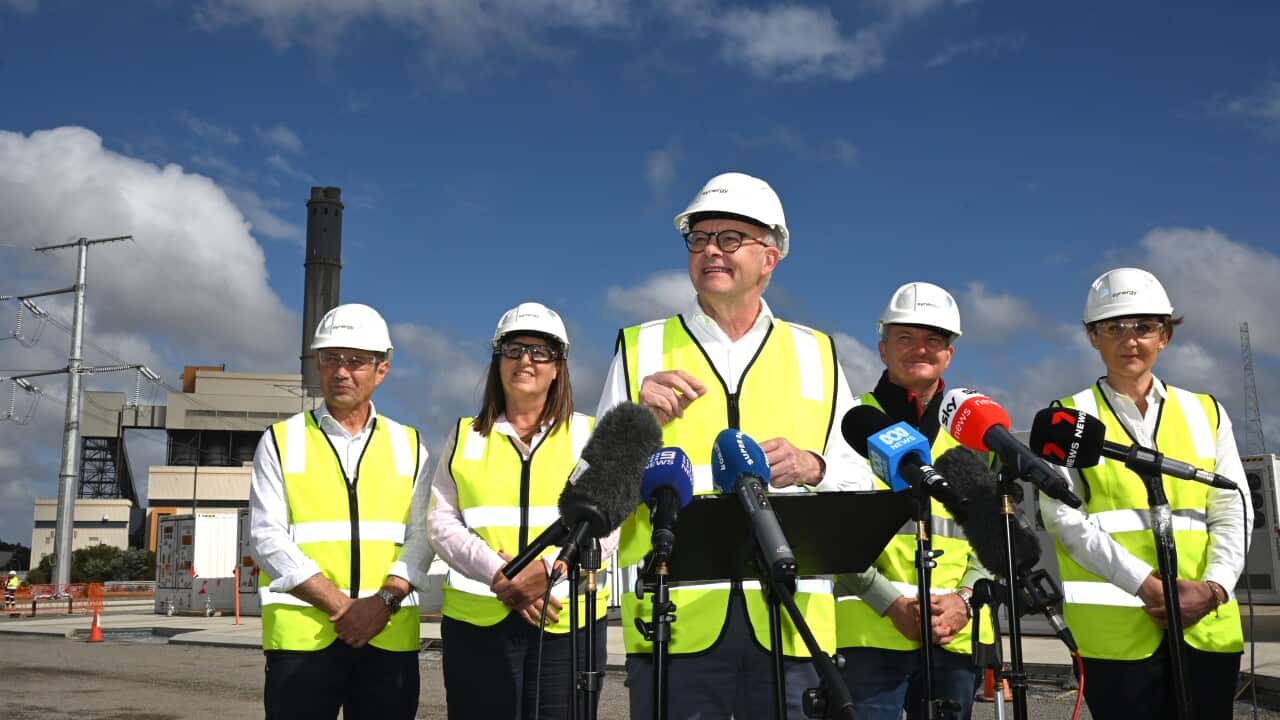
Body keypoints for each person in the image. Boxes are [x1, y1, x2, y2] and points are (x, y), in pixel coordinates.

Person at [596, 171, 875, 718]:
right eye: (699, 238)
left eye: (730, 238)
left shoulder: (817, 353)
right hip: (674, 625)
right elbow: (597, 491)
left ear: (770, 257)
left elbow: (860, 477)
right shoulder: (640, 348)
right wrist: (636, 421)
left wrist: (814, 466)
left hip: (792, 629)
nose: (710, 251)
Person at [1041, 267, 1249, 720]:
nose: (1129, 339)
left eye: (1144, 327)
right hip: (1116, 634)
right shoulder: (1068, 418)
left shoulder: (1206, 412)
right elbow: (1062, 518)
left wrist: (1213, 588)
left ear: (1165, 337)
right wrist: (1147, 585)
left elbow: (1233, 507)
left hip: (1206, 625)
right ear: (1093, 337)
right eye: (1114, 327)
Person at [249, 303, 432, 720]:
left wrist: (381, 603)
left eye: (356, 361)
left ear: (381, 369)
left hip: (387, 637)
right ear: (317, 363)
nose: (341, 371)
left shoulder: (410, 445)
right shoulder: (281, 440)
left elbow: (424, 536)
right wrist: (342, 607)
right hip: (303, 641)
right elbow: (265, 537)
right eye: (331, 359)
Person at [429, 302, 608, 719]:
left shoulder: (590, 435)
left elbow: (610, 523)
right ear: (498, 361)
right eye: (513, 349)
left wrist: (547, 574)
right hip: (477, 627)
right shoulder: (463, 436)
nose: (525, 359)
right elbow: (440, 522)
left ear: (558, 367)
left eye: (539, 351)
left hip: (568, 624)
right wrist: (502, 574)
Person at [835, 282, 991, 720]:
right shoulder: (847, 424)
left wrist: (964, 600)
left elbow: (989, 535)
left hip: (953, 634)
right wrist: (889, 602)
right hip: (868, 632)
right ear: (883, 348)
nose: (920, 349)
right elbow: (829, 532)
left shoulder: (974, 435)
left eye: (934, 339)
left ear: (950, 354)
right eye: (906, 338)